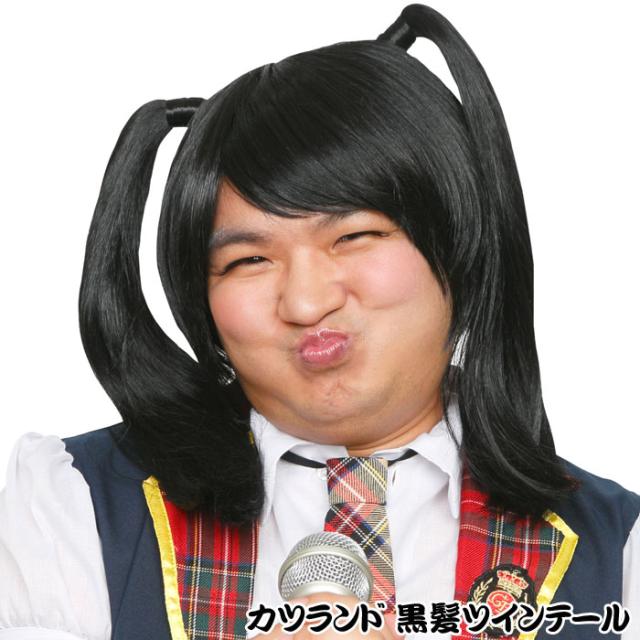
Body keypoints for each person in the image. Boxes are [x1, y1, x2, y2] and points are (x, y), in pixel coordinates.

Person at [0, 4, 638, 640]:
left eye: (354, 236)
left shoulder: (619, 554)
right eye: (249, 260)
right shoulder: (76, 506)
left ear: (461, 242)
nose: (305, 303)